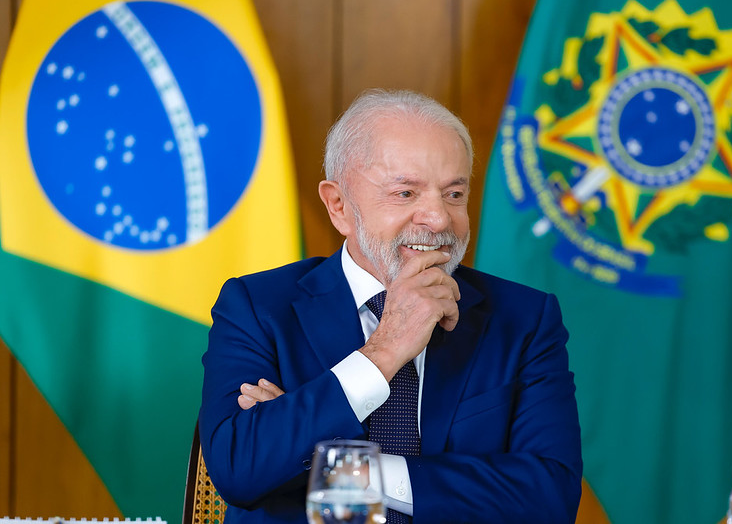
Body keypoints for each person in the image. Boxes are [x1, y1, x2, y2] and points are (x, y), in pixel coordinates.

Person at [199, 89, 582, 524]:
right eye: (405, 193)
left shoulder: (525, 319)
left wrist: (337, 466)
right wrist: (385, 349)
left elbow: (550, 497)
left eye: (455, 194)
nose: (438, 219)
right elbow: (240, 469)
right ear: (339, 205)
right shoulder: (256, 307)